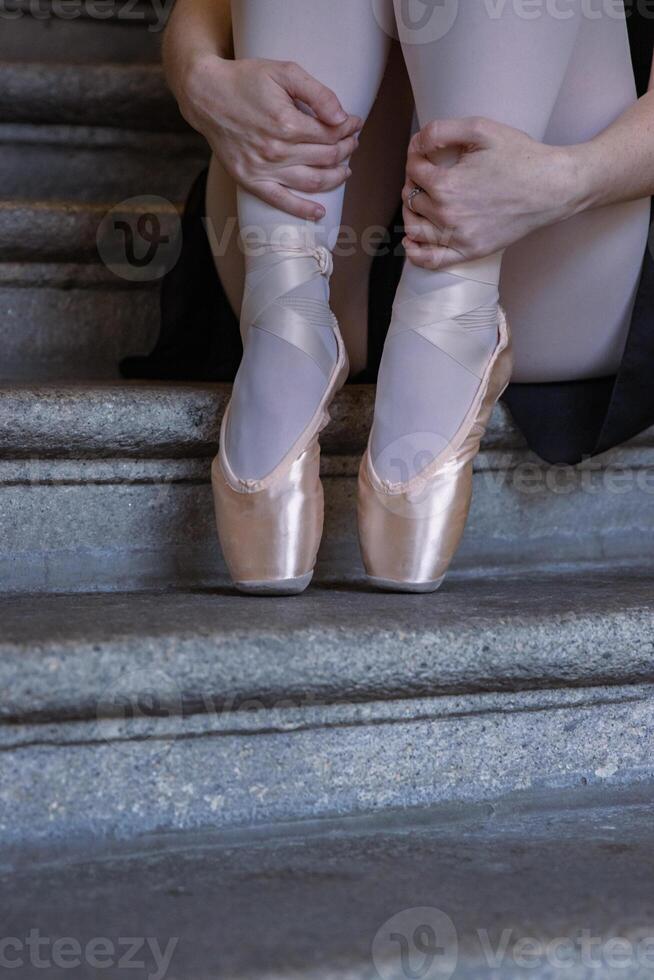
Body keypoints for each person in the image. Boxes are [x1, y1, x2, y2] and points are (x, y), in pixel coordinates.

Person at [125, 0, 654, 595]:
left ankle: (341, 325)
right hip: (313, 220)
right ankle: (359, 319)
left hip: (546, 221)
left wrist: (565, 182)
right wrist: (197, 77)